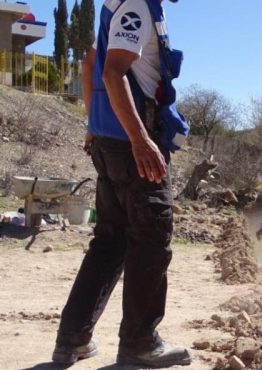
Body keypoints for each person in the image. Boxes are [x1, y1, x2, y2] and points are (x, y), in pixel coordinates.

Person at [52, 0, 192, 367]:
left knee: (110, 242)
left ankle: (73, 339)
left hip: (109, 142)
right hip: (132, 147)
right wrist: (140, 138)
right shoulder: (136, 5)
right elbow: (112, 72)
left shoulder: (120, 5)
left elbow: (89, 63)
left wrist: (92, 123)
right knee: (152, 238)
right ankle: (140, 343)